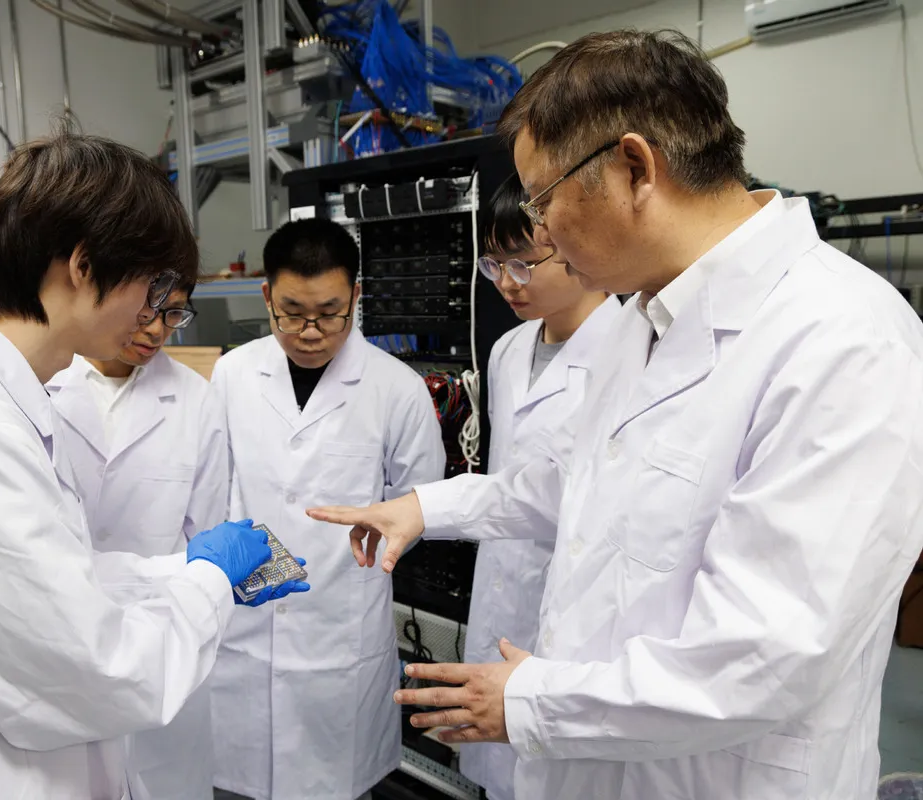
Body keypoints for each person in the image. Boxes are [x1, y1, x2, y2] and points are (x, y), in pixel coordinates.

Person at [309, 29, 923, 800]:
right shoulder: (642, 321)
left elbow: (769, 653)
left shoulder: (842, 340)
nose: (541, 233)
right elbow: (575, 483)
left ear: (634, 168)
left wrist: (531, 702)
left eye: (542, 199)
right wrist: (424, 508)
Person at [0, 132, 307, 800]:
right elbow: (102, 669)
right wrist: (208, 578)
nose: (154, 317)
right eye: (153, 286)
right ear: (84, 266)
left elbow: (52, 580)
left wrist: (179, 567)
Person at [210, 217, 445, 800]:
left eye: (329, 313)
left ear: (356, 297)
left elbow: (419, 505)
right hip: (246, 624)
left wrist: (375, 536)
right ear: (266, 296)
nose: (309, 332)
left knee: (335, 787)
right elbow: (213, 487)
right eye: (291, 313)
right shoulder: (233, 374)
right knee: (236, 785)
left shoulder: (396, 389)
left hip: (340, 629)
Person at [460, 173, 620, 800]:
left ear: (575, 247)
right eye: (494, 265)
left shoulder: (626, 349)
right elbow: (507, 481)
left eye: (523, 263)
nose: (507, 283)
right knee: (494, 770)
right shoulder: (507, 349)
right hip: (499, 579)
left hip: (575, 600)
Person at [47, 276, 224, 800]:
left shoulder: (196, 400)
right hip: (63, 643)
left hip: (161, 645)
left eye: (174, 314)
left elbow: (206, 536)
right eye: (146, 311)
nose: (155, 330)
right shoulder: (45, 385)